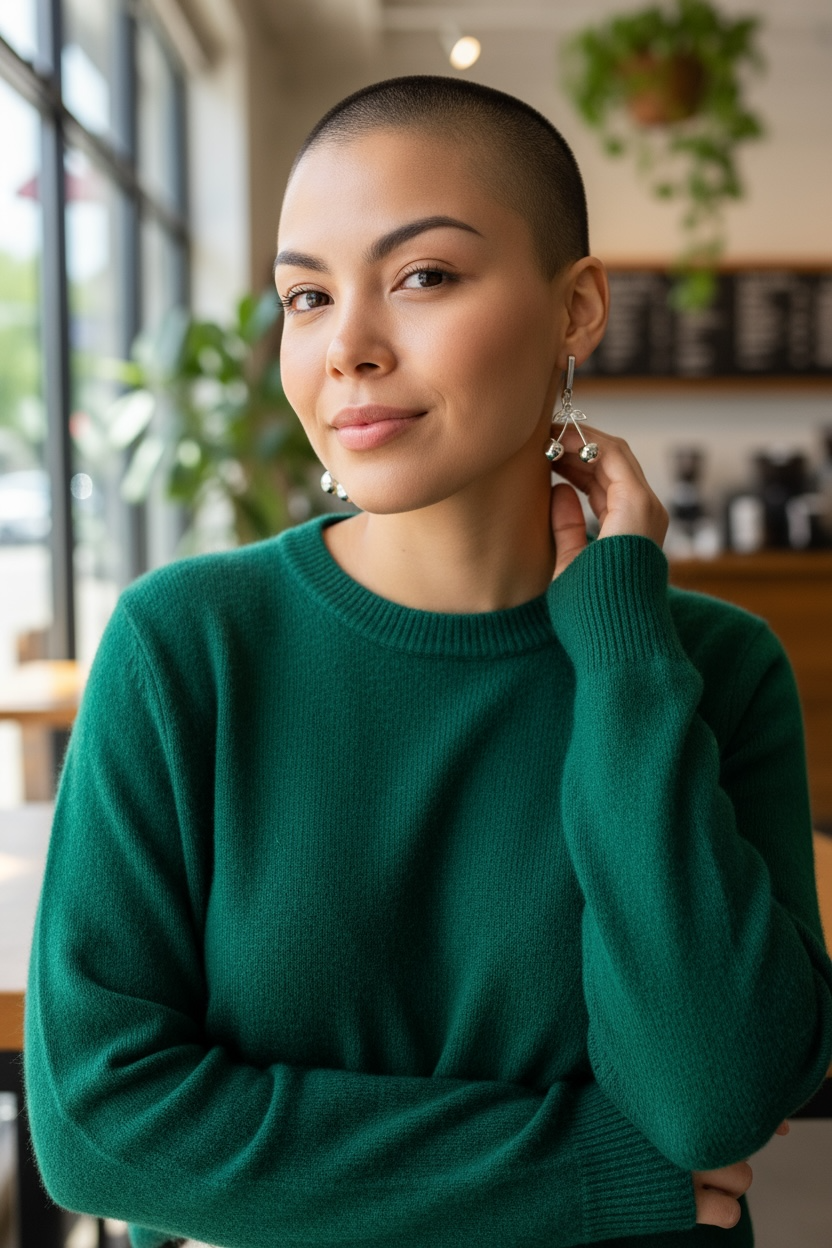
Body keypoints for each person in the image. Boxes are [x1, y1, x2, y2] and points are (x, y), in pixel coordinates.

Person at [24, 76, 831, 1248]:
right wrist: (578, 1173)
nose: (345, 345)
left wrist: (615, 652)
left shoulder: (705, 666)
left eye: (422, 277)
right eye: (305, 295)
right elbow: (99, 1126)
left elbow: (711, 1092)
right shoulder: (186, 644)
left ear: (577, 309)